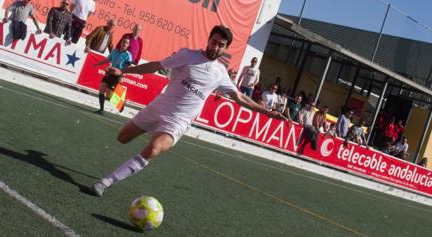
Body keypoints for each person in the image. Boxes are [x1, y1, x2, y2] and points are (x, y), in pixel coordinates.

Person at [89, 25, 288, 197]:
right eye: (214, 42)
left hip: (179, 121)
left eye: (220, 45)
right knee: (122, 138)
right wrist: (123, 71)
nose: (215, 47)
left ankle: (106, 182)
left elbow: (240, 97)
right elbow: (155, 66)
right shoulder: (187, 55)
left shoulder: (220, 73)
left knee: (154, 149)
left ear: (226, 49)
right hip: (159, 107)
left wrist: (266, 112)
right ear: (208, 40)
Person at [93, 37, 133, 114]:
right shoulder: (115, 51)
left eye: (126, 43)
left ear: (128, 45)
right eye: (124, 42)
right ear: (121, 43)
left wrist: (123, 74)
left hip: (118, 75)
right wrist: (98, 64)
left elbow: (129, 67)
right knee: (101, 90)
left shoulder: (128, 55)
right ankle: (101, 109)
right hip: (110, 73)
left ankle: (121, 103)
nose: (124, 44)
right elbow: (107, 60)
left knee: (110, 95)